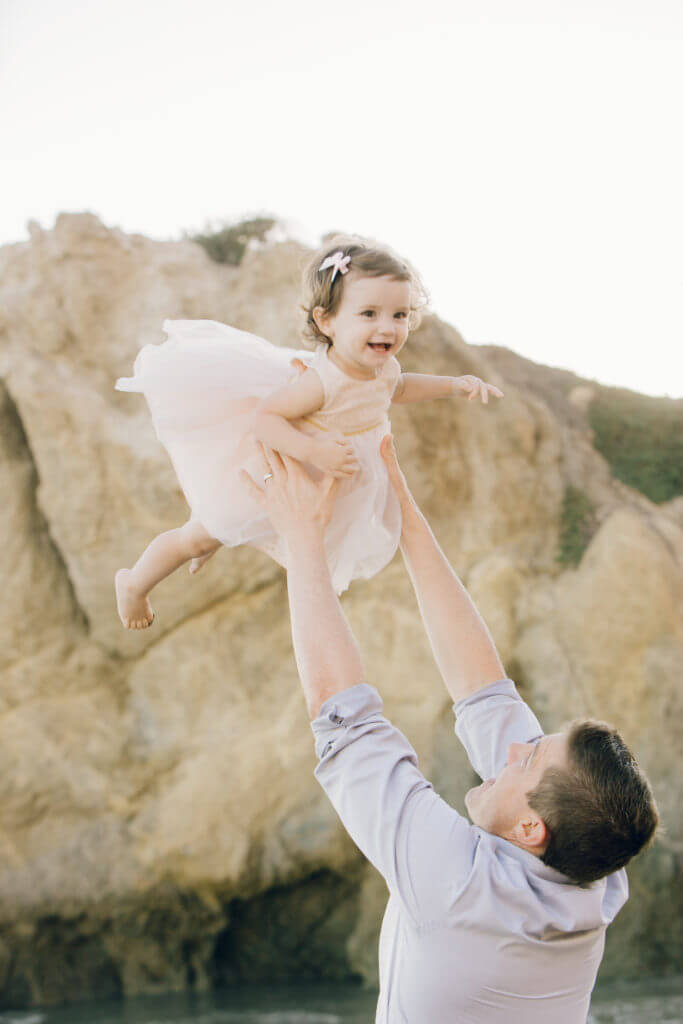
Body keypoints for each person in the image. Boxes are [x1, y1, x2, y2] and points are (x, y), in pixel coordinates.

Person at [241, 437, 659, 1024]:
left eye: (528, 759)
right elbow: (484, 689)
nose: (512, 749)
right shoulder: (594, 876)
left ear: (530, 827)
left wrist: (302, 534)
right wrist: (405, 515)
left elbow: (343, 717)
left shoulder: (460, 889)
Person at [114, 234, 503, 628]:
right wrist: (313, 450)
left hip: (324, 480)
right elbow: (265, 421)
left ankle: (221, 532)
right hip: (285, 470)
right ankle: (134, 585)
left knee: (282, 542)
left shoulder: (385, 369)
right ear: (326, 320)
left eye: (399, 315)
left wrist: (453, 384)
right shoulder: (321, 381)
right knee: (196, 536)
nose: (387, 327)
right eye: (368, 313)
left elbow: (399, 389)